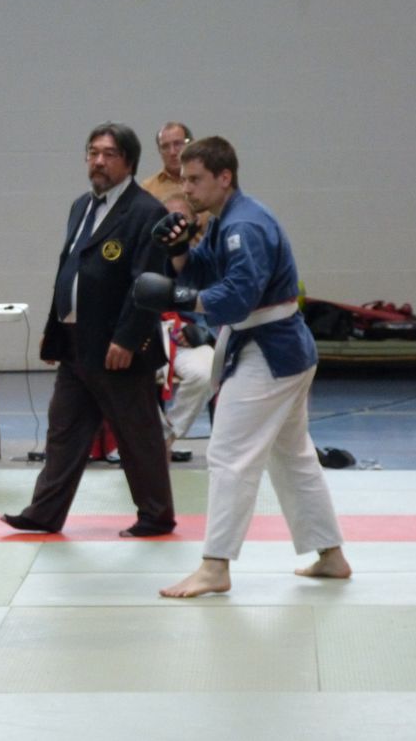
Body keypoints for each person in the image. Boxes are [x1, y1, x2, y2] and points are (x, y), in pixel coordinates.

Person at [133, 135, 352, 597]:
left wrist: (181, 296)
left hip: (270, 352)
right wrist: (179, 251)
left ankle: (215, 566)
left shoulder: (245, 226)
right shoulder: (223, 220)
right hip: (278, 350)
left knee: (229, 454)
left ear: (224, 177)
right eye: (185, 179)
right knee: (293, 458)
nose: (187, 188)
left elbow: (236, 297)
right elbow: (209, 271)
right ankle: (331, 555)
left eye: (195, 180)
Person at [2, 122, 175, 538]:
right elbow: (69, 270)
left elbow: (148, 284)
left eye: (108, 154)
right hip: (76, 342)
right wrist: (53, 327)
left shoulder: (147, 212)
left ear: (129, 162)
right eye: (92, 152)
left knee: (137, 434)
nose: (98, 161)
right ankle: (45, 512)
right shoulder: (81, 205)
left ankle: (156, 515)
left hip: (117, 344)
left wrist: (129, 338)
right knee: (64, 430)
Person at [159, 193, 216, 461]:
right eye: (168, 220)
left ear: (194, 223)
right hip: (149, 336)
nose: (175, 227)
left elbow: (226, 305)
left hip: (187, 339)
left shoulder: (207, 260)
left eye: (181, 220)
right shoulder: (143, 255)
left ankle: (168, 435)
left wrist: (206, 335)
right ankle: (145, 437)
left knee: (207, 371)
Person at [141, 121, 211, 230]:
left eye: (178, 144)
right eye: (165, 147)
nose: (172, 152)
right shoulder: (148, 189)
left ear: (191, 144)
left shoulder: (209, 182)